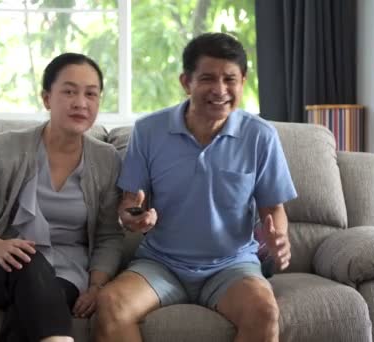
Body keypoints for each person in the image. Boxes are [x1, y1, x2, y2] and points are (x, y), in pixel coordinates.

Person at [95, 32, 297, 342]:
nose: (220, 90)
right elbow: (130, 201)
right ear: (185, 81)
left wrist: (278, 239)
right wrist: (132, 218)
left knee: (264, 311)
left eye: (230, 79)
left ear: (243, 81)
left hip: (232, 266)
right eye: (207, 79)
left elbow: (274, 211)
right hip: (161, 263)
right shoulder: (149, 131)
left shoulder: (261, 136)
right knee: (111, 304)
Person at [0, 52, 124, 342]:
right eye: (69, 91)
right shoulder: (7, 147)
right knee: (29, 261)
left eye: (91, 94)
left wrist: (97, 286)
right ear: (47, 98)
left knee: (34, 307)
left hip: (66, 272)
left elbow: (110, 234)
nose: (81, 103)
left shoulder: (107, 159)